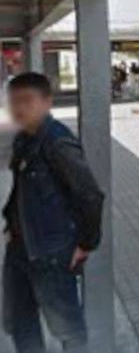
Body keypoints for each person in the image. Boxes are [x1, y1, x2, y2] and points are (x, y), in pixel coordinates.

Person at [2, 73, 104, 352]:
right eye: (14, 102)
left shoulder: (57, 142)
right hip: (19, 250)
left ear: (47, 102)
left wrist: (87, 243)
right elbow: (22, 189)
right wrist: (10, 224)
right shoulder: (24, 138)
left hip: (51, 253)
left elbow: (90, 195)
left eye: (27, 101)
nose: (19, 108)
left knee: (68, 330)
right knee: (19, 321)